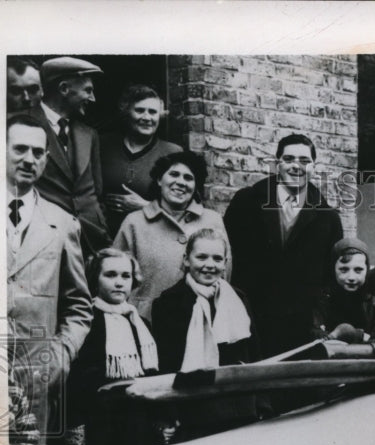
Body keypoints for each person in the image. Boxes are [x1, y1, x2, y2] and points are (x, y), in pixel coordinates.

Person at [6, 114, 92, 445]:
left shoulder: (62, 224)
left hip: (30, 382)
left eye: (38, 153)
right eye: (20, 149)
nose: (30, 160)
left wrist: (60, 354)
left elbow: (80, 305)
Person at [224, 133, 343, 358]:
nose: (296, 166)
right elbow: (227, 257)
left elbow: (331, 278)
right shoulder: (246, 202)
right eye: (289, 159)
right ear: (277, 163)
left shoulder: (328, 217)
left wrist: (318, 320)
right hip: (249, 319)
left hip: (301, 328)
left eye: (305, 161)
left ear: (314, 167)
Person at [65, 249, 159, 445]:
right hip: (98, 424)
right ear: (96, 279)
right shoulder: (86, 322)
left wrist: (160, 418)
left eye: (126, 276)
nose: (119, 282)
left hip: (136, 421)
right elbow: (73, 378)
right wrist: (75, 424)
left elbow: (153, 376)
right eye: (111, 275)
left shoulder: (141, 324)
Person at [152, 229, 261, 438]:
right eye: (201, 257)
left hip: (239, 408)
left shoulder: (238, 299)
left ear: (225, 263)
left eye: (217, 258)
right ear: (186, 259)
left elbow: (254, 354)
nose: (209, 264)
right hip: (193, 411)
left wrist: (261, 406)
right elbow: (166, 364)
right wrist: (168, 415)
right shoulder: (168, 303)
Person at [114, 150, 228, 320]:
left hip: (199, 320)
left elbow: (225, 274)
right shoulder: (134, 222)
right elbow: (116, 274)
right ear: (160, 180)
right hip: (144, 320)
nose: (181, 182)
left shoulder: (213, 221)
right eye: (174, 174)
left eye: (188, 178)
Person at [23, 56, 109, 254]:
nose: (93, 98)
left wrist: (100, 227)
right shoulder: (22, 124)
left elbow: (96, 192)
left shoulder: (89, 134)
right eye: (88, 90)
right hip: (42, 241)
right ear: (64, 89)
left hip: (91, 242)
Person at [100, 84, 182, 236]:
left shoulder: (173, 153)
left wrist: (144, 206)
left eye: (152, 112)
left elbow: (183, 207)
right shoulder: (103, 145)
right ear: (127, 112)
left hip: (151, 236)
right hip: (104, 236)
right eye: (139, 110)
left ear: (160, 116)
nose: (146, 117)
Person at [311, 238, 375, 346]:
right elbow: (314, 333)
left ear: (367, 270)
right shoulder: (321, 302)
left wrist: (355, 334)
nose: (351, 277)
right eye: (344, 270)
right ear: (333, 269)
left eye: (358, 270)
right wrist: (362, 336)